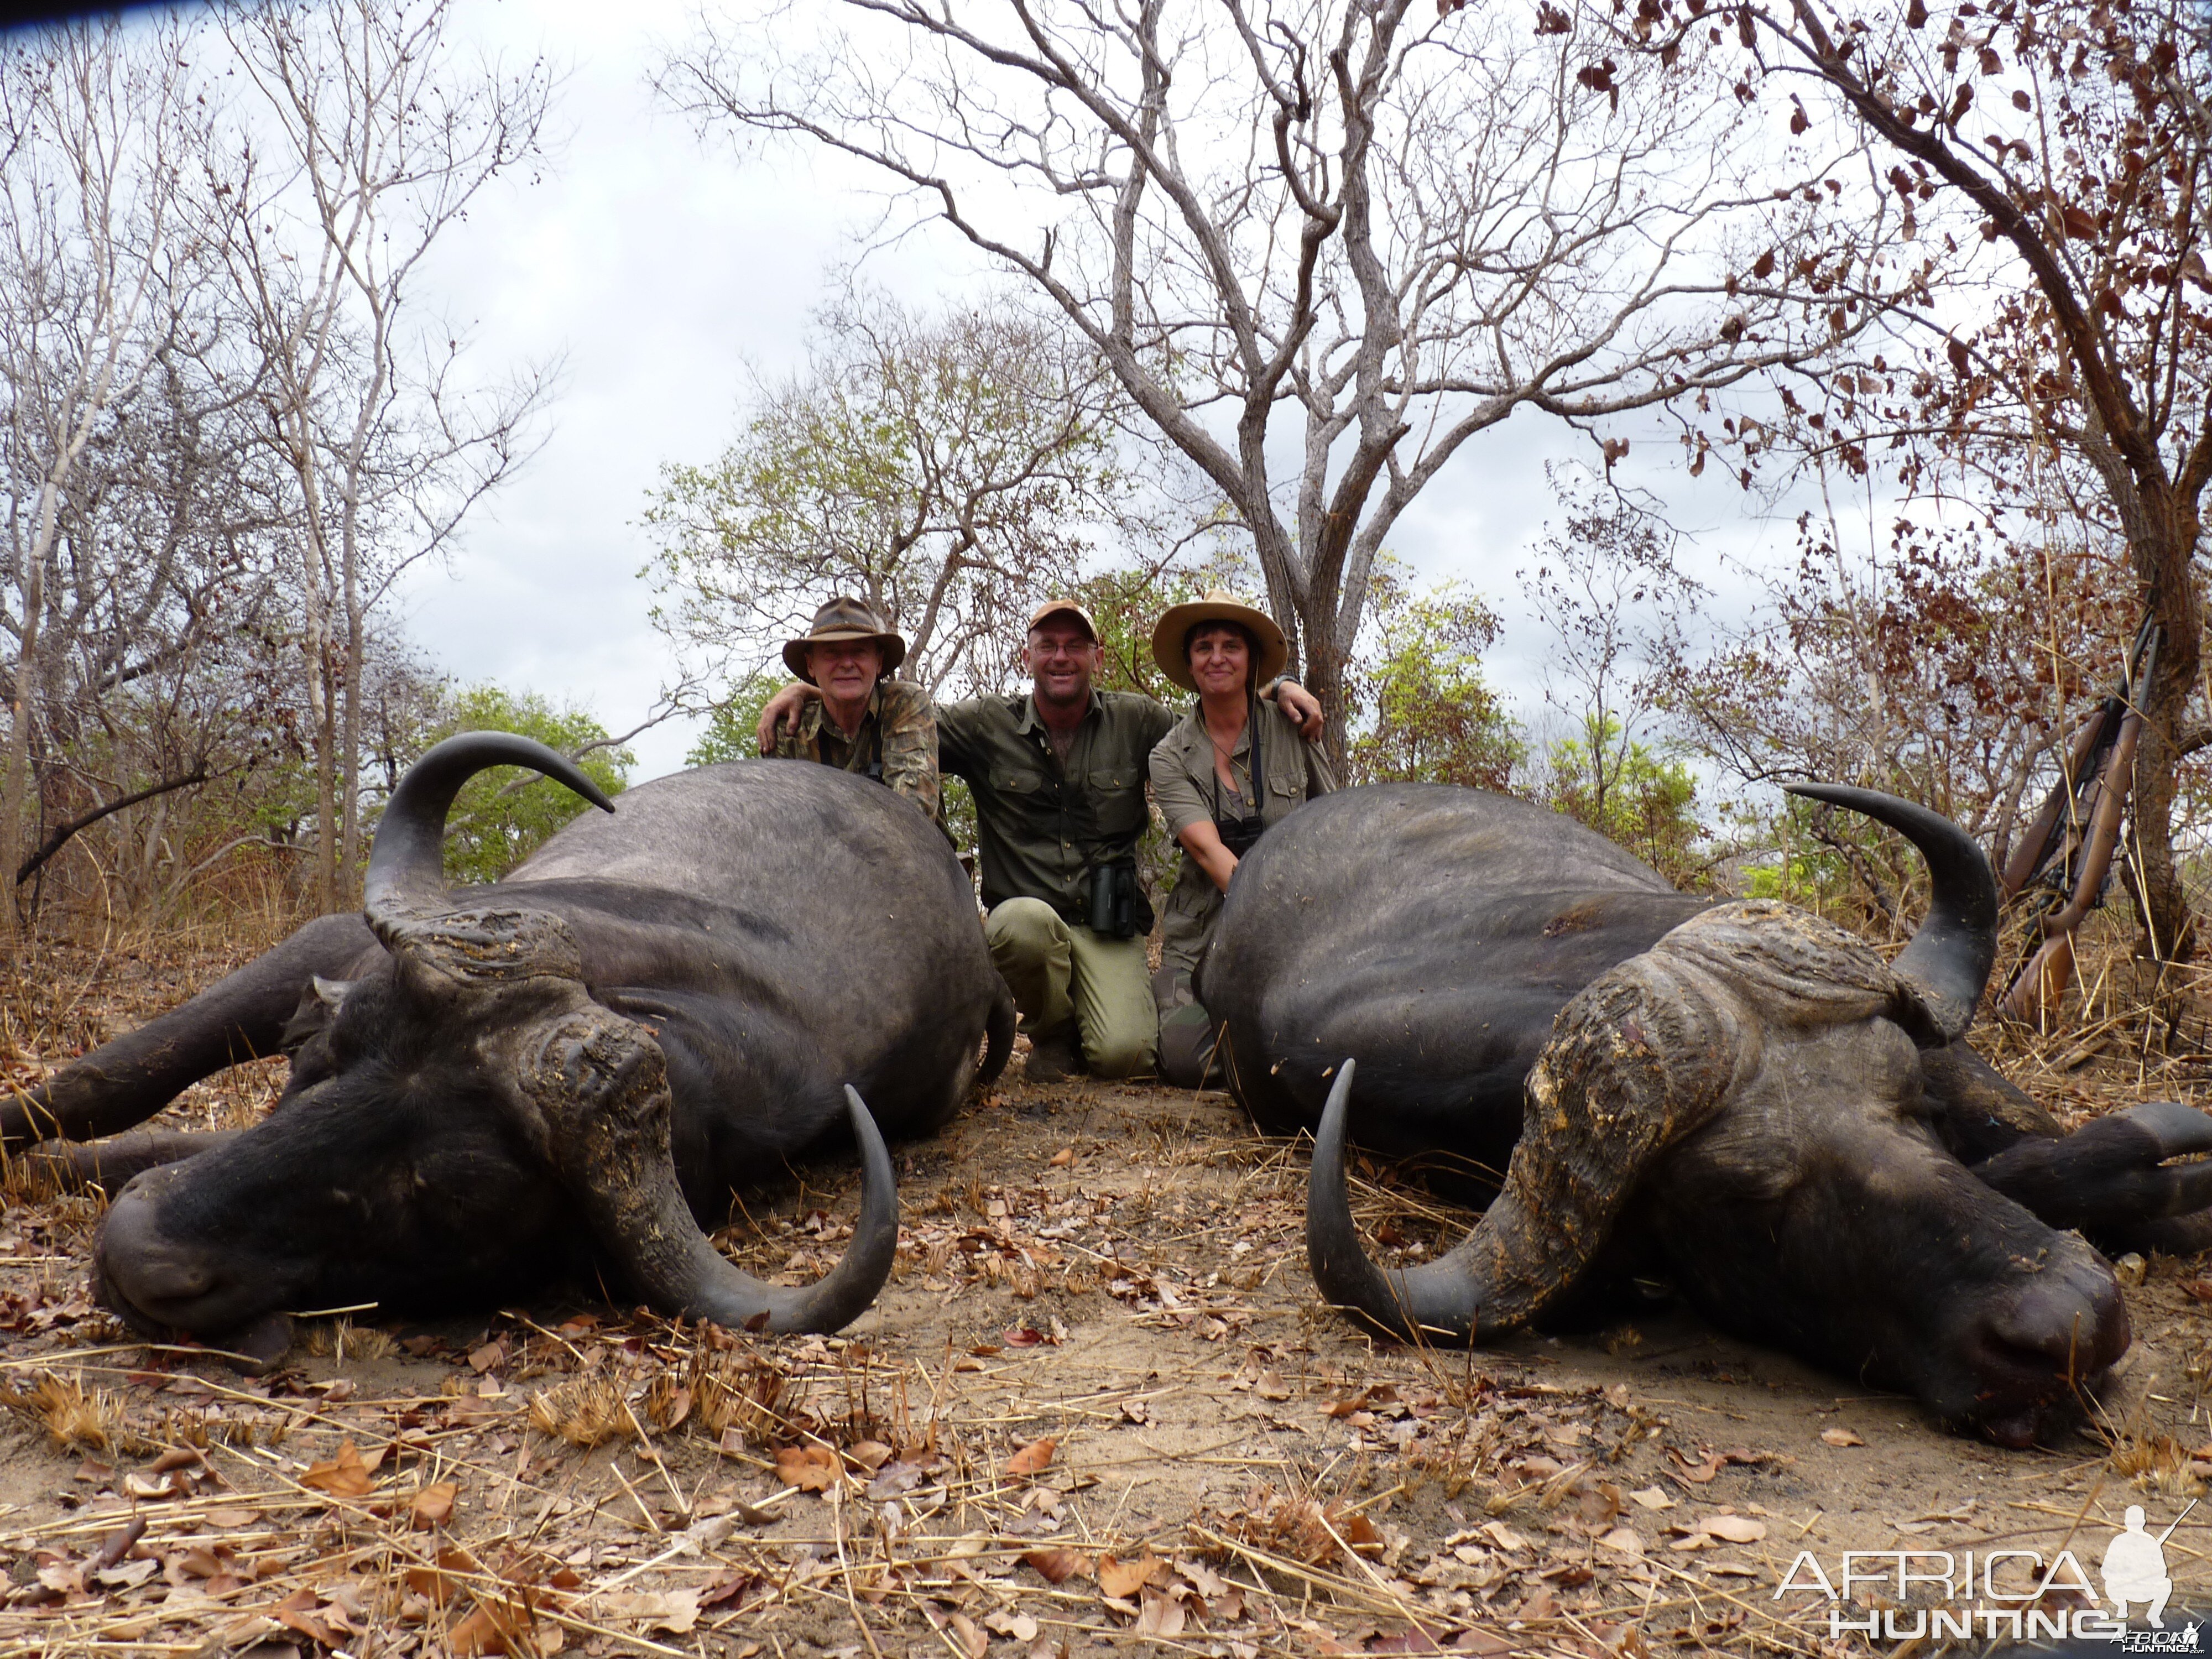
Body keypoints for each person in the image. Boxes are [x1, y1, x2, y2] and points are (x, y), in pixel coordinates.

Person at [758, 596, 1323, 1081]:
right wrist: (810, 690)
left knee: (1127, 1057)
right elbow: (885, 713)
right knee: (1020, 927)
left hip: (1107, 923)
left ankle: (1098, 1019)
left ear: (1096, 658)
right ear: (1024, 656)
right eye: (1047, 645)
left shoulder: (1140, 722)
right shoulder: (983, 724)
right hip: (1027, 922)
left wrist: (1276, 689)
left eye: (1075, 646)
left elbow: (1210, 717)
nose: (1060, 657)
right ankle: (1051, 1036)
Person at [1146, 592, 1335, 1087]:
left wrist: (1286, 688)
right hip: (1208, 932)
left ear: (1250, 660)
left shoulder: (1294, 726)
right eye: (1204, 646)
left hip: (1302, 921)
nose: (1217, 657)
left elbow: (1335, 824)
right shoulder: (1169, 757)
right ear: (1189, 663)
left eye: (1231, 645)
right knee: (1189, 1061)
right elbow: (1210, 854)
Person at [768, 596, 939, 818]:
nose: (847, 664)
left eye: (859, 652)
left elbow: (912, 814)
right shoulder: (789, 731)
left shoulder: (903, 706)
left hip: (908, 851)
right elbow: (780, 825)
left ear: (878, 662)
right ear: (811, 664)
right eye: (832, 653)